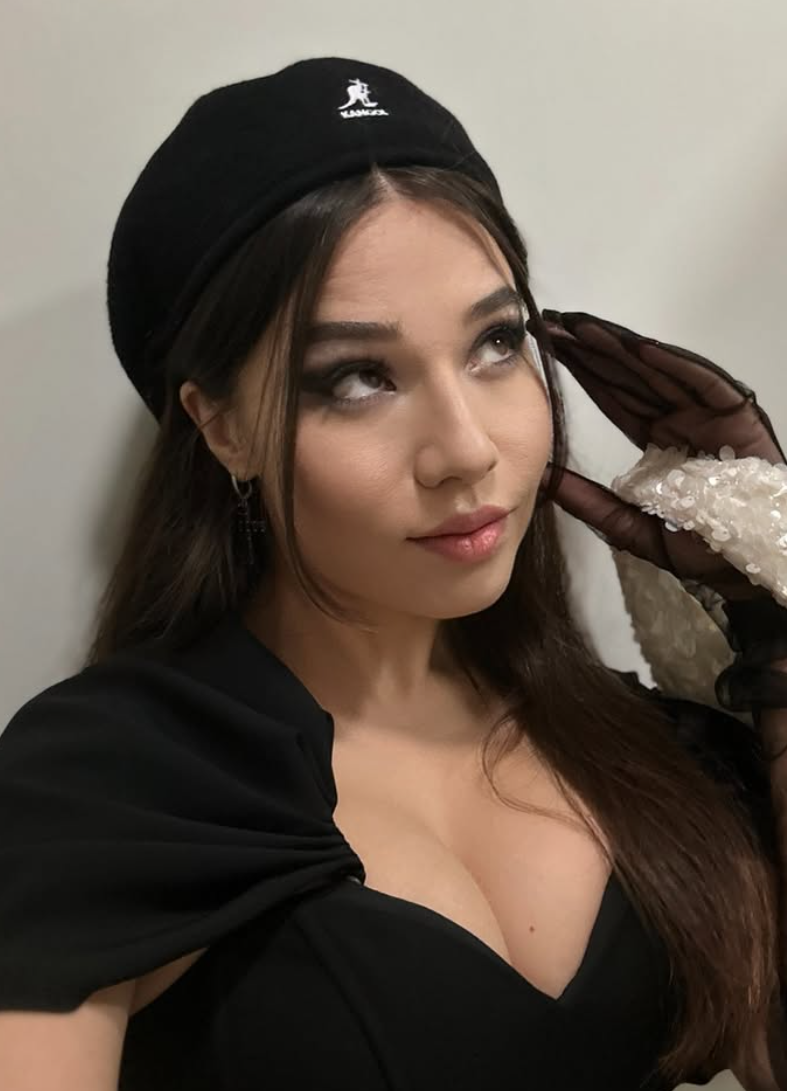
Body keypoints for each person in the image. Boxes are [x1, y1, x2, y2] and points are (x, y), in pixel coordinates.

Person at [1, 55, 786, 1091]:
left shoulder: (647, 751)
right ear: (222, 426)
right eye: (358, 377)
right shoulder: (109, 784)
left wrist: (769, 599)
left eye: (496, 343)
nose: (465, 449)